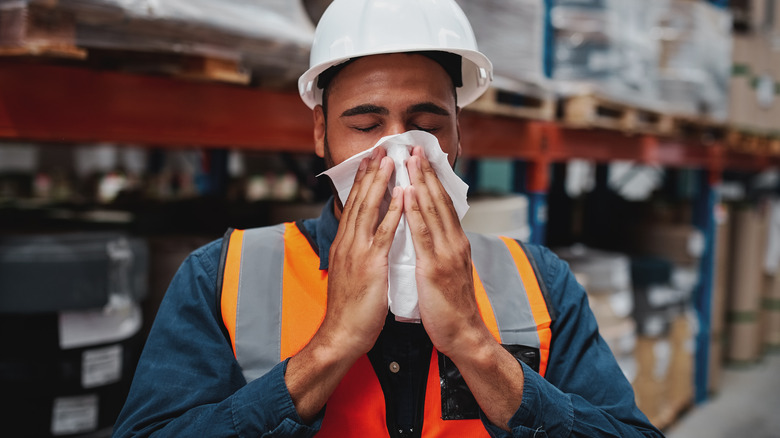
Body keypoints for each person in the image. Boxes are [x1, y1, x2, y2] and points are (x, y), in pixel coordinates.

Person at [113, 0, 664, 436]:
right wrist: (329, 349)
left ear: (456, 137)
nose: (400, 151)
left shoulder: (539, 282)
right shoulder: (222, 277)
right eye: (366, 123)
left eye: (426, 122)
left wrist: (476, 348)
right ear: (320, 132)